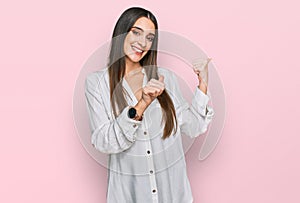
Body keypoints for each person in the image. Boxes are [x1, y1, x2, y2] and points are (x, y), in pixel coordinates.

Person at [85, 6, 214, 203]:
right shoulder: (97, 83)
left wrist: (203, 85)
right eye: (136, 32)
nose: (142, 43)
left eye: (149, 37)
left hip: (173, 195)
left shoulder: (166, 78)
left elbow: (193, 126)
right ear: (121, 33)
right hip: (129, 196)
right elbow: (104, 142)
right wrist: (141, 105)